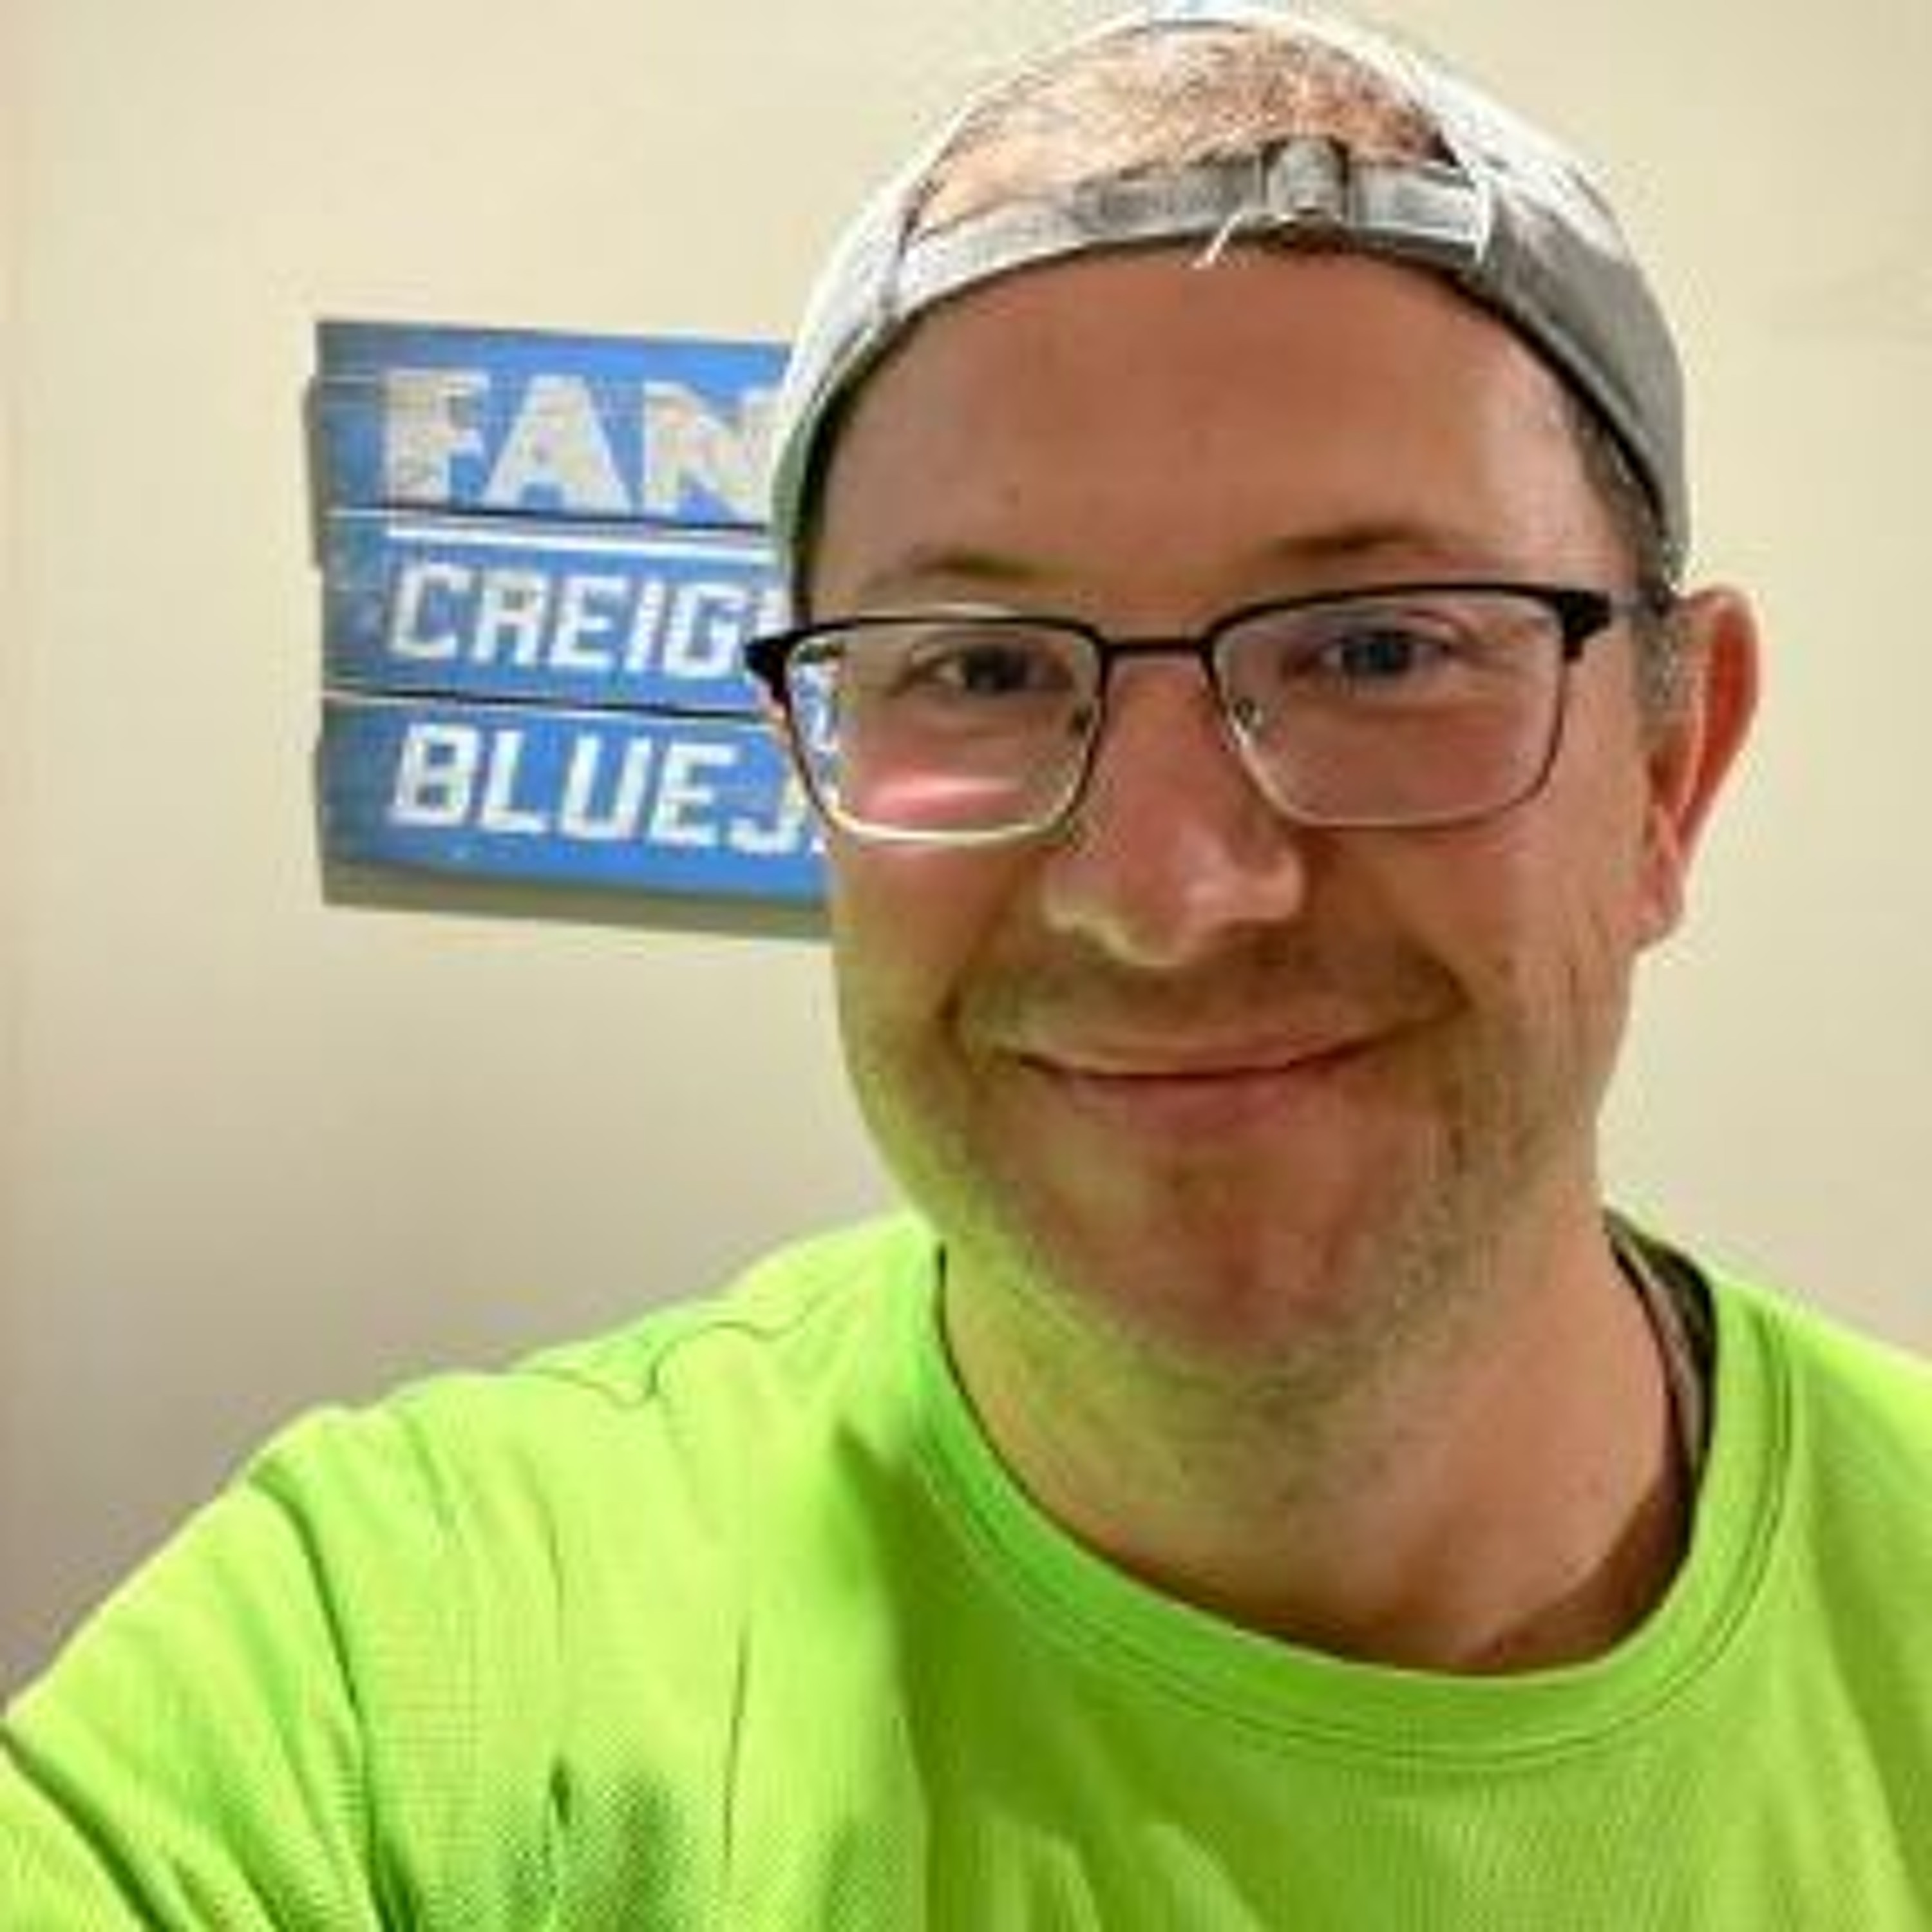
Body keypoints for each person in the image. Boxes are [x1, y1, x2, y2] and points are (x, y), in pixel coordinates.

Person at [6, 3, 1931, 1923]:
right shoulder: (395, 1669)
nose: (1165, 893)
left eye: (1377, 648)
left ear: (1669, 768)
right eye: (981, 669)